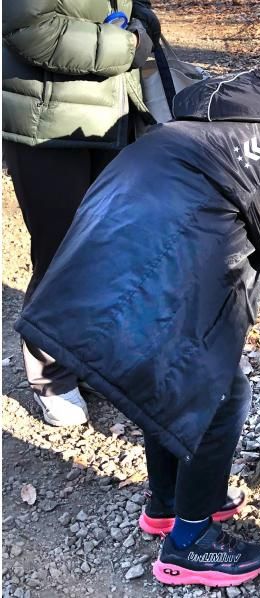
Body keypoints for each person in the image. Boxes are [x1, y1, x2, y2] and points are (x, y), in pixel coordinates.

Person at [16, 45, 260, 587]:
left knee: (173, 383)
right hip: (159, 263)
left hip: (127, 244)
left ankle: (169, 502)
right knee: (217, 394)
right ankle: (190, 542)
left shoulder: (231, 107)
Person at [2, 0, 161, 426]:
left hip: (110, 117)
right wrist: (126, 46)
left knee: (109, 247)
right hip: (45, 124)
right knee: (61, 254)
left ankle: (93, 360)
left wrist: (143, 24)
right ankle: (51, 374)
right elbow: (29, 26)